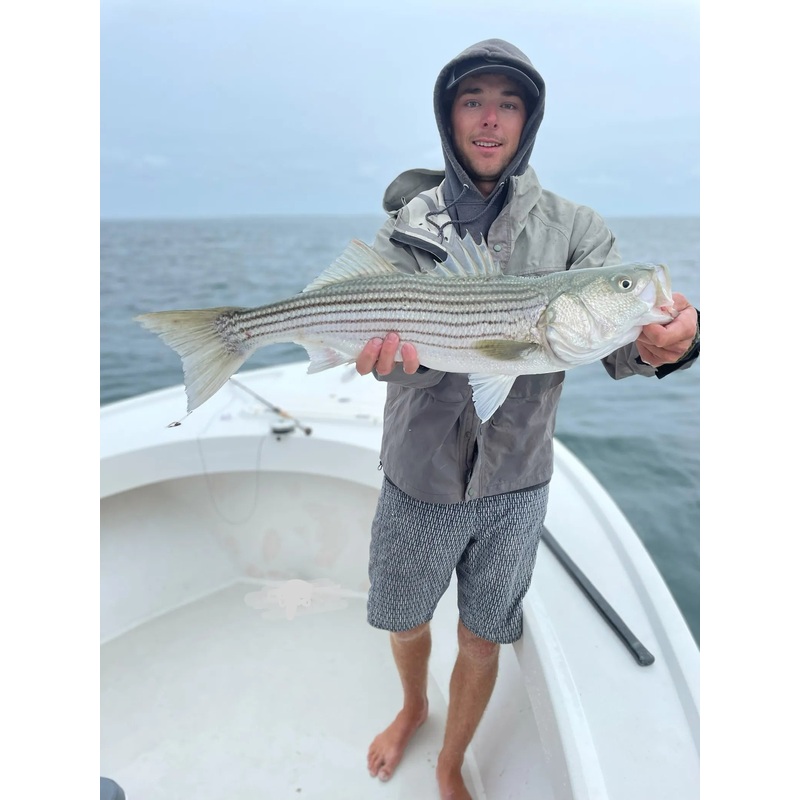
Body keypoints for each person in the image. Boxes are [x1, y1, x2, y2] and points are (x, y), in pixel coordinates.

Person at [354, 38, 699, 800]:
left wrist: (669, 343)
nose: (490, 119)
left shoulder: (577, 230)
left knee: (484, 634)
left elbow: (618, 345)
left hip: (518, 481)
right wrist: (384, 357)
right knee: (406, 618)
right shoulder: (409, 226)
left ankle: (451, 761)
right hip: (419, 473)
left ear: (528, 120)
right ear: (448, 116)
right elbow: (380, 333)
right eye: (473, 101)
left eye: (508, 104)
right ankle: (413, 707)